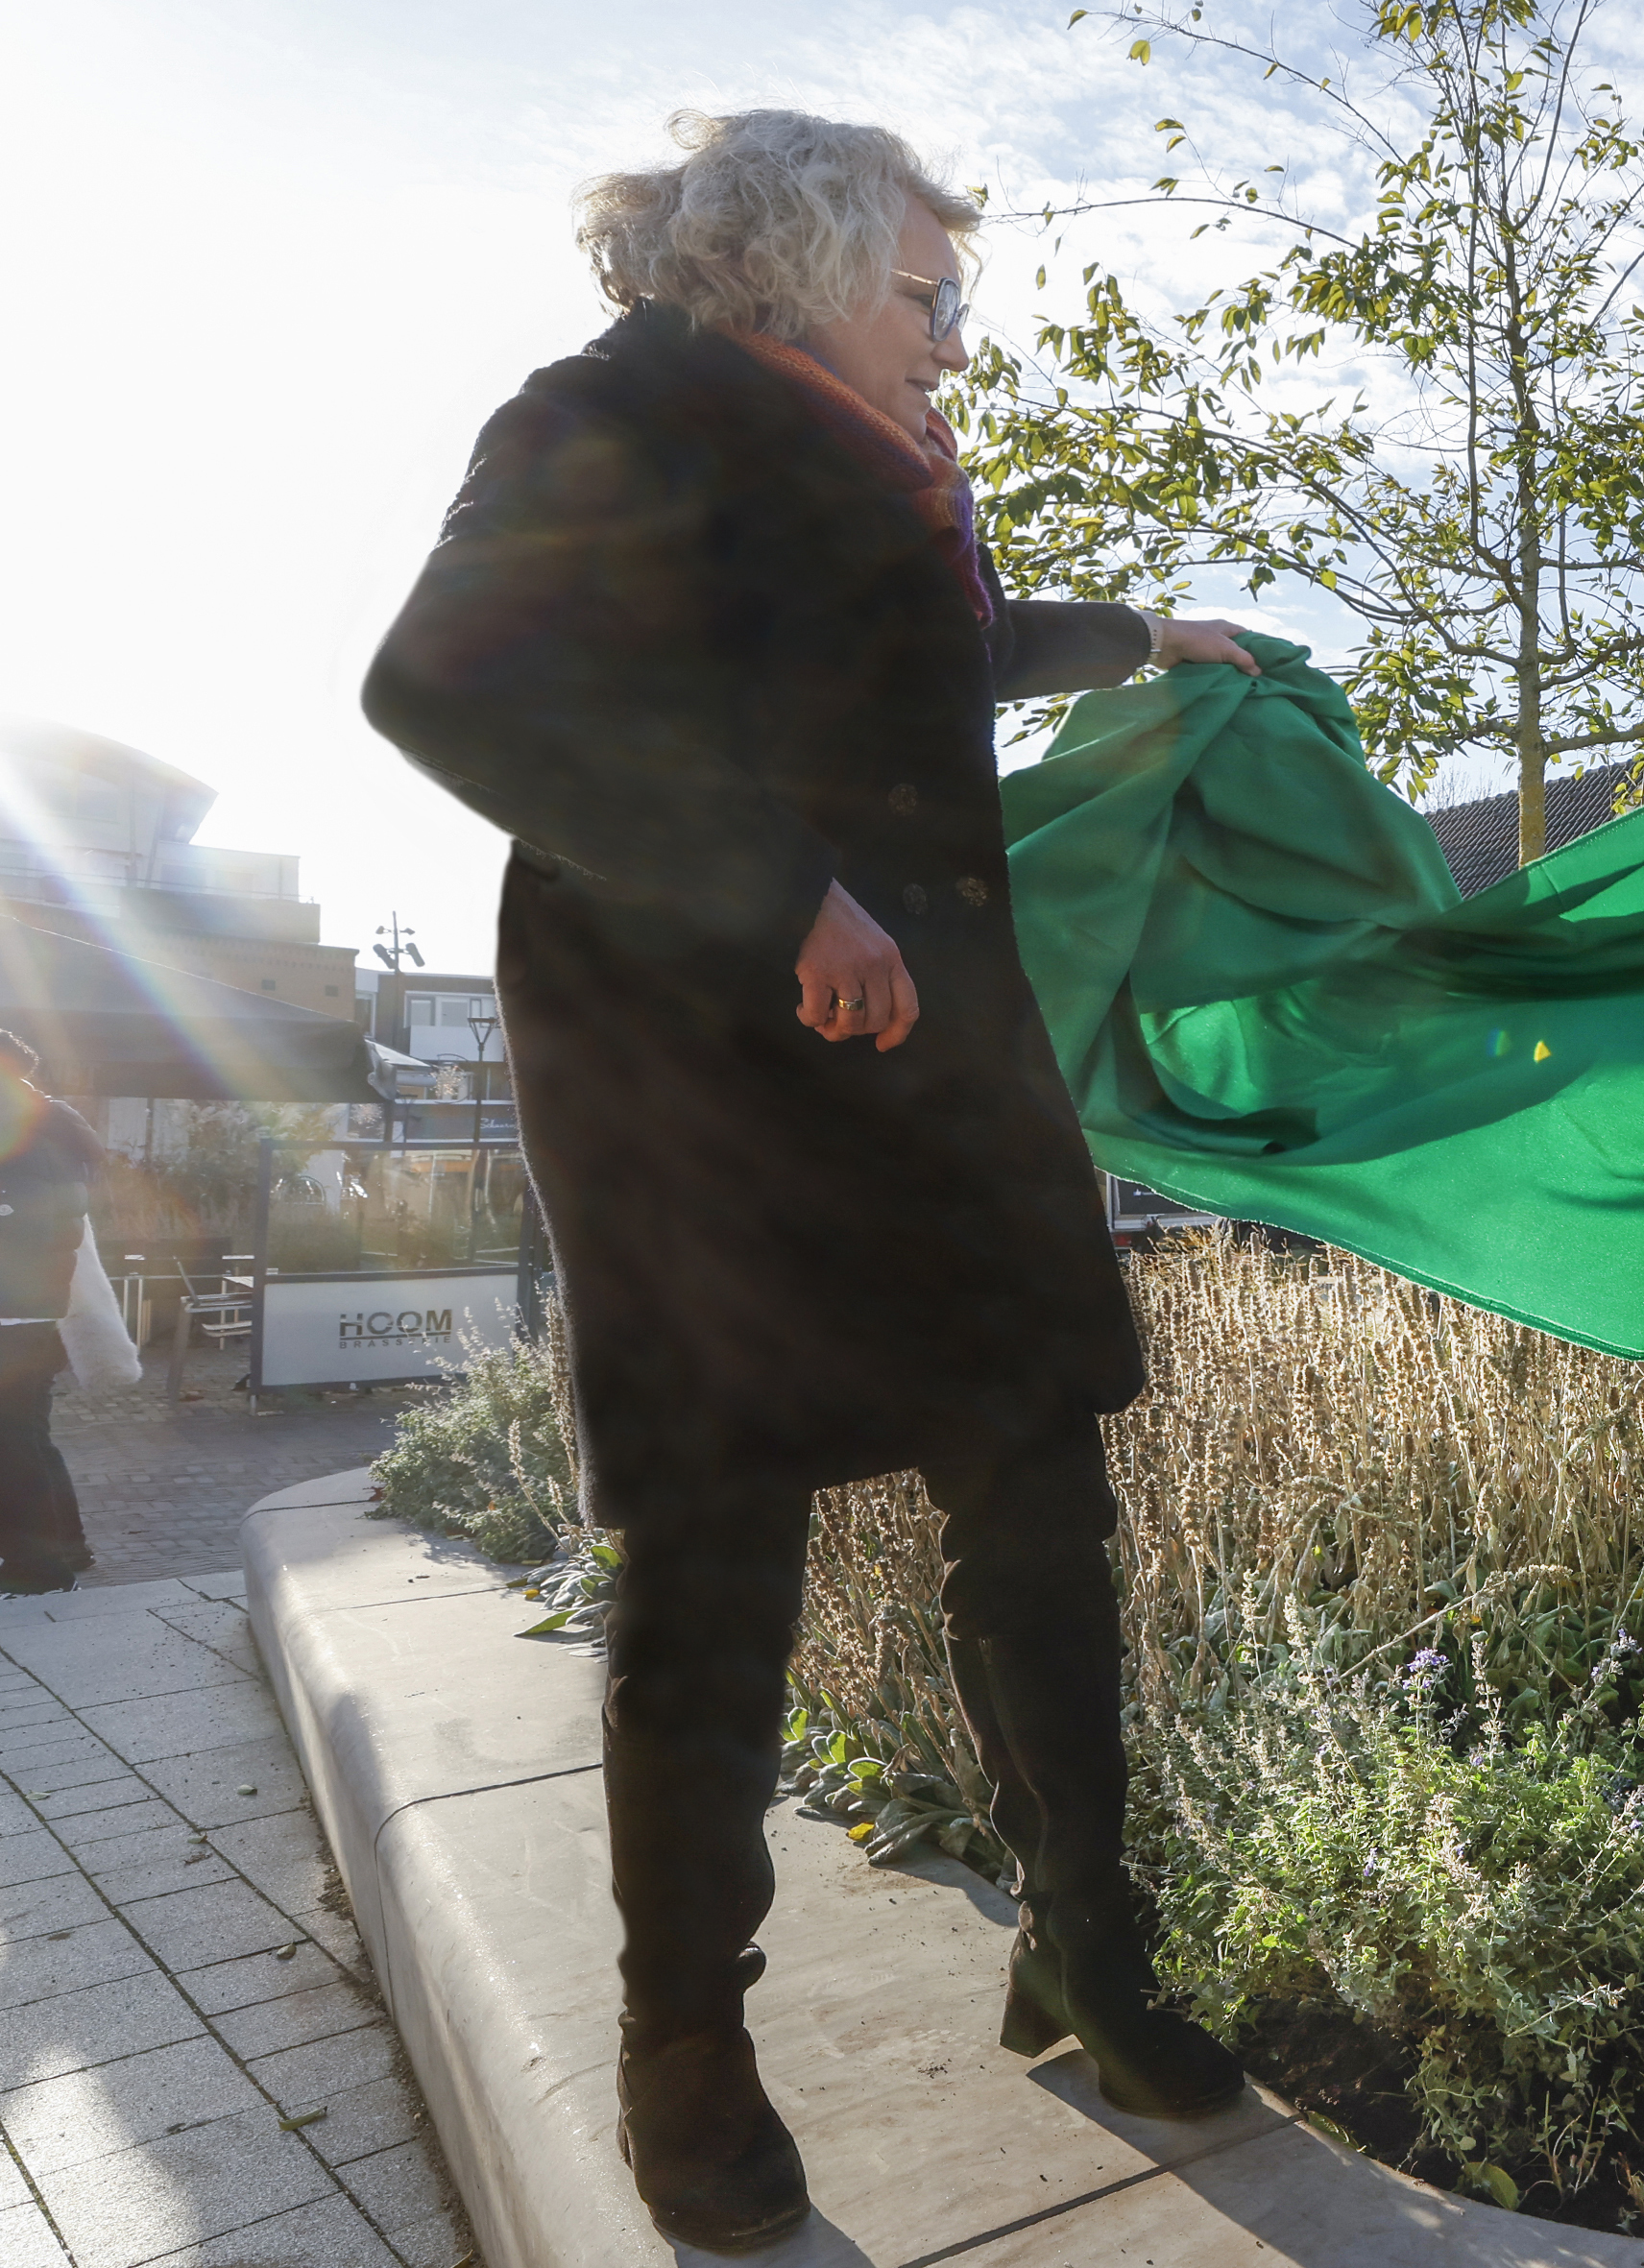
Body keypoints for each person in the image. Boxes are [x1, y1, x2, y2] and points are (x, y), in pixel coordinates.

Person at [362, 109, 1262, 2251]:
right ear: (799, 263)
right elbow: (441, 686)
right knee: (713, 1550)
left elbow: (899, 666)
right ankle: (689, 2047)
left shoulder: (875, 467)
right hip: (699, 1061)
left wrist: (1136, 632)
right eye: (932, 297)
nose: (959, 341)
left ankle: (1090, 1949)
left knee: (1038, 1488)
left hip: (930, 1057)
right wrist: (782, 891)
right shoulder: (604, 417)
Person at [0, 1032, 101, 1596]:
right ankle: (67, 1548)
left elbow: (22, 1221)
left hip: (12, 1312)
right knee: (27, 1436)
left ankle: (34, 1568)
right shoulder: (42, 1126)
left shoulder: (22, 1135)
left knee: (10, 1443)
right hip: (30, 1309)